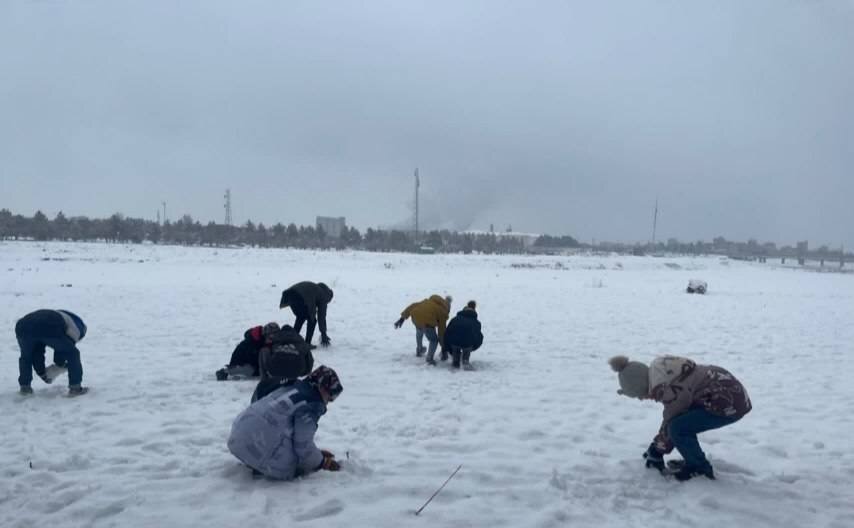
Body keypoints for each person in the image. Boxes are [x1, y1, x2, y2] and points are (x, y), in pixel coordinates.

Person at [608, 355, 752, 481]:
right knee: (681, 423)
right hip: (725, 395)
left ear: (643, 385)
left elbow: (671, 419)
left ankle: (699, 467)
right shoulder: (666, 372)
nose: (642, 399)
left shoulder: (670, 389)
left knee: (679, 428)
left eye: (641, 395)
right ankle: (693, 460)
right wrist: (658, 446)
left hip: (728, 403)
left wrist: (657, 451)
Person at [227, 365, 344, 480]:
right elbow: (302, 444)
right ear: (322, 388)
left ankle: (253, 456)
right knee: (296, 464)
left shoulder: (291, 384)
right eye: (330, 397)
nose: (328, 402)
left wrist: (316, 454)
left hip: (237, 435)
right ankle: (262, 463)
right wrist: (322, 462)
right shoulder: (312, 404)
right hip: (259, 449)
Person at [15, 309, 88, 396]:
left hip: (22, 326)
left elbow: (38, 352)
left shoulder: (65, 317)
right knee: (73, 353)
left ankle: (25, 388)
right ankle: (75, 388)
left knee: (27, 356)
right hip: (49, 324)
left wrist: (42, 373)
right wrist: (60, 364)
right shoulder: (77, 329)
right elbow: (64, 350)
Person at [251, 324, 315, 402]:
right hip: (296, 372)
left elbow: (271, 354)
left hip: (275, 372)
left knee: (264, 351)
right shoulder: (300, 340)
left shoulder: (276, 338)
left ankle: (265, 381)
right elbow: (310, 360)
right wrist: (305, 372)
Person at [394, 295, 452, 365]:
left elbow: (412, 306)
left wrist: (402, 319)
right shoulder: (442, 312)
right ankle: (429, 359)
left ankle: (419, 350)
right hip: (427, 323)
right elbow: (441, 332)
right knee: (434, 340)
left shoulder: (427, 302)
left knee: (419, 331)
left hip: (416, 318)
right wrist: (444, 347)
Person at [216, 322, 280, 381]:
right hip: (242, 364)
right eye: (270, 338)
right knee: (250, 370)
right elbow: (252, 359)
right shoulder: (250, 343)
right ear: (265, 335)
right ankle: (224, 372)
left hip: (255, 364)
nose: (272, 340)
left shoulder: (266, 343)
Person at [279, 282, 334, 348]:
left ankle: (292, 340)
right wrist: (323, 333)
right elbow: (321, 316)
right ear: (328, 296)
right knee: (312, 320)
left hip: (290, 294)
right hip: (301, 297)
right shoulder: (323, 295)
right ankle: (307, 343)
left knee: (301, 317)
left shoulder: (314, 288)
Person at [443, 300, 483, 370]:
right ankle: (465, 361)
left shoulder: (455, 319)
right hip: (467, 344)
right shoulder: (476, 322)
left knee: (456, 346)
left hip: (454, 343)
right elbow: (479, 336)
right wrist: (474, 346)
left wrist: (448, 347)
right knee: (467, 345)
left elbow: (447, 332)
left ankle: (455, 362)